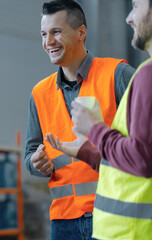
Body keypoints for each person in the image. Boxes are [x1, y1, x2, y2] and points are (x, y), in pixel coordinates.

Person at [24, 0, 135, 239]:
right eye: (44, 34)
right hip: (63, 221)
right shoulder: (39, 93)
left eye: (56, 32)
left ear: (81, 33)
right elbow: (30, 152)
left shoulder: (117, 74)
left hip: (114, 210)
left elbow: (142, 141)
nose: (48, 42)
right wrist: (35, 163)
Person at [46, 0, 152, 239]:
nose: (129, 17)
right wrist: (88, 153)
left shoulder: (138, 75)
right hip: (82, 220)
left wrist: (95, 129)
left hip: (128, 230)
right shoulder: (40, 92)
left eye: (136, 6)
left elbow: (141, 159)